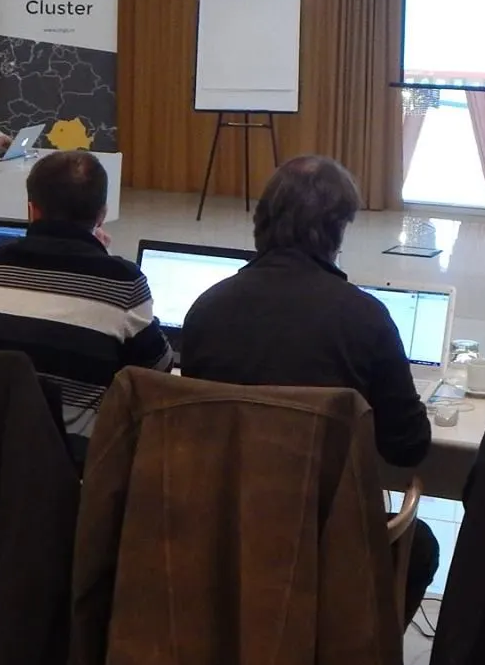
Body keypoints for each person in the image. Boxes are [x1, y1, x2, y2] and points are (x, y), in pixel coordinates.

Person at [180, 155, 437, 619]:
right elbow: (407, 447)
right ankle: (351, 653)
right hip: (324, 533)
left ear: (262, 220)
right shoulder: (365, 317)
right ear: (338, 229)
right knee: (420, 547)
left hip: (218, 525)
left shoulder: (206, 309)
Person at [0, 150, 173, 454]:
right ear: (102, 215)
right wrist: (105, 260)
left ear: (32, 210)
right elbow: (159, 370)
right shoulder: (122, 280)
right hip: (73, 462)